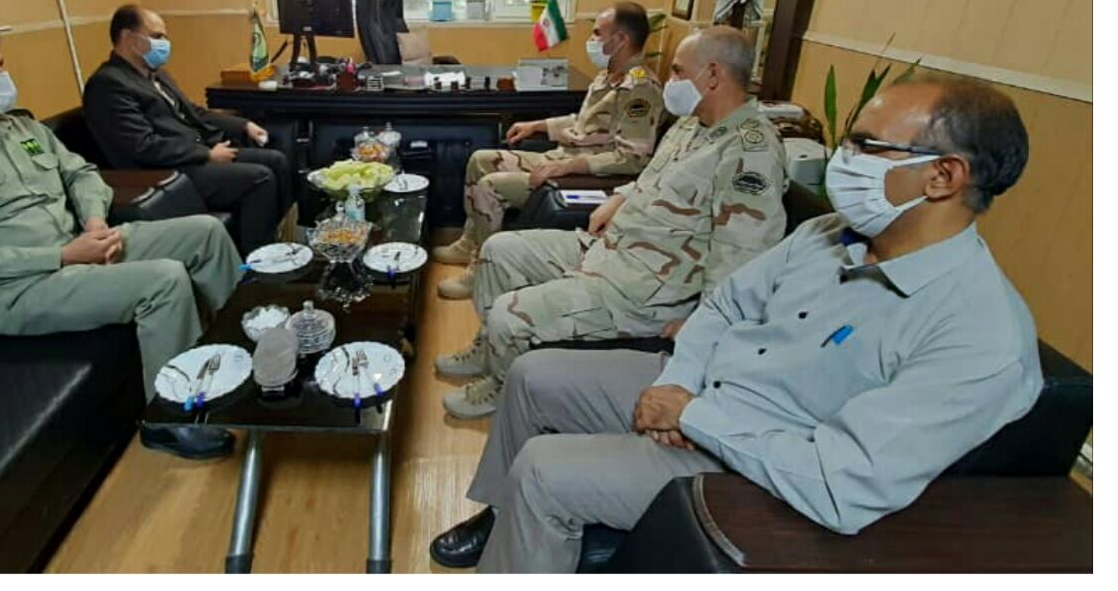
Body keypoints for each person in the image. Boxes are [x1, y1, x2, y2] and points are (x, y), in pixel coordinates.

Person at [429, 73, 1043, 572]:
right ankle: (504, 517)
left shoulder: (980, 336)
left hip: (753, 465)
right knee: (533, 375)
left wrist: (696, 418)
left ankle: (525, 528)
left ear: (943, 176)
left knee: (544, 470)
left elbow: (841, 483)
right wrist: (681, 386)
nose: (842, 159)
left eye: (865, 145)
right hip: (702, 385)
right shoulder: (827, 234)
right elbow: (726, 304)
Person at [0, 17, 244, 461]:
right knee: (164, 279)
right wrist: (62, 256)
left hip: (81, 246)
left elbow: (81, 173)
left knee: (204, 232)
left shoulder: (19, 128)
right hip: (18, 289)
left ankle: (242, 356)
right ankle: (171, 420)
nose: (2, 77)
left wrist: (93, 221)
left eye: (1, 64)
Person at [433, 27, 786, 419]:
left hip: (646, 290)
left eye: (677, 71)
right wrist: (620, 197)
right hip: (611, 248)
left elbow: (742, 257)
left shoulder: (750, 151)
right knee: (498, 252)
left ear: (714, 75)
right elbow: (652, 176)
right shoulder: (691, 123)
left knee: (508, 314)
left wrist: (701, 322)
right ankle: (490, 350)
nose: (670, 81)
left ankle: (502, 385)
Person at [432, 3, 662, 301]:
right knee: (480, 160)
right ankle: (469, 243)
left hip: (583, 176)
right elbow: (583, 124)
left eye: (597, 33)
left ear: (619, 40)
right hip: (561, 158)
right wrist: (537, 125)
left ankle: (482, 273)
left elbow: (632, 158)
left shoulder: (640, 88)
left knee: (490, 187)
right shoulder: (608, 76)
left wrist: (567, 168)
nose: (591, 40)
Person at [83, 5, 293, 255]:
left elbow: (194, 112)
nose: (164, 44)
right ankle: (257, 259)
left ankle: (279, 240)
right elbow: (143, 145)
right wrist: (206, 155)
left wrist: (243, 125)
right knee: (260, 178)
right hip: (167, 171)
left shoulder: (157, 75)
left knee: (277, 160)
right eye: (157, 36)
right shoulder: (108, 85)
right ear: (129, 38)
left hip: (196, 153)